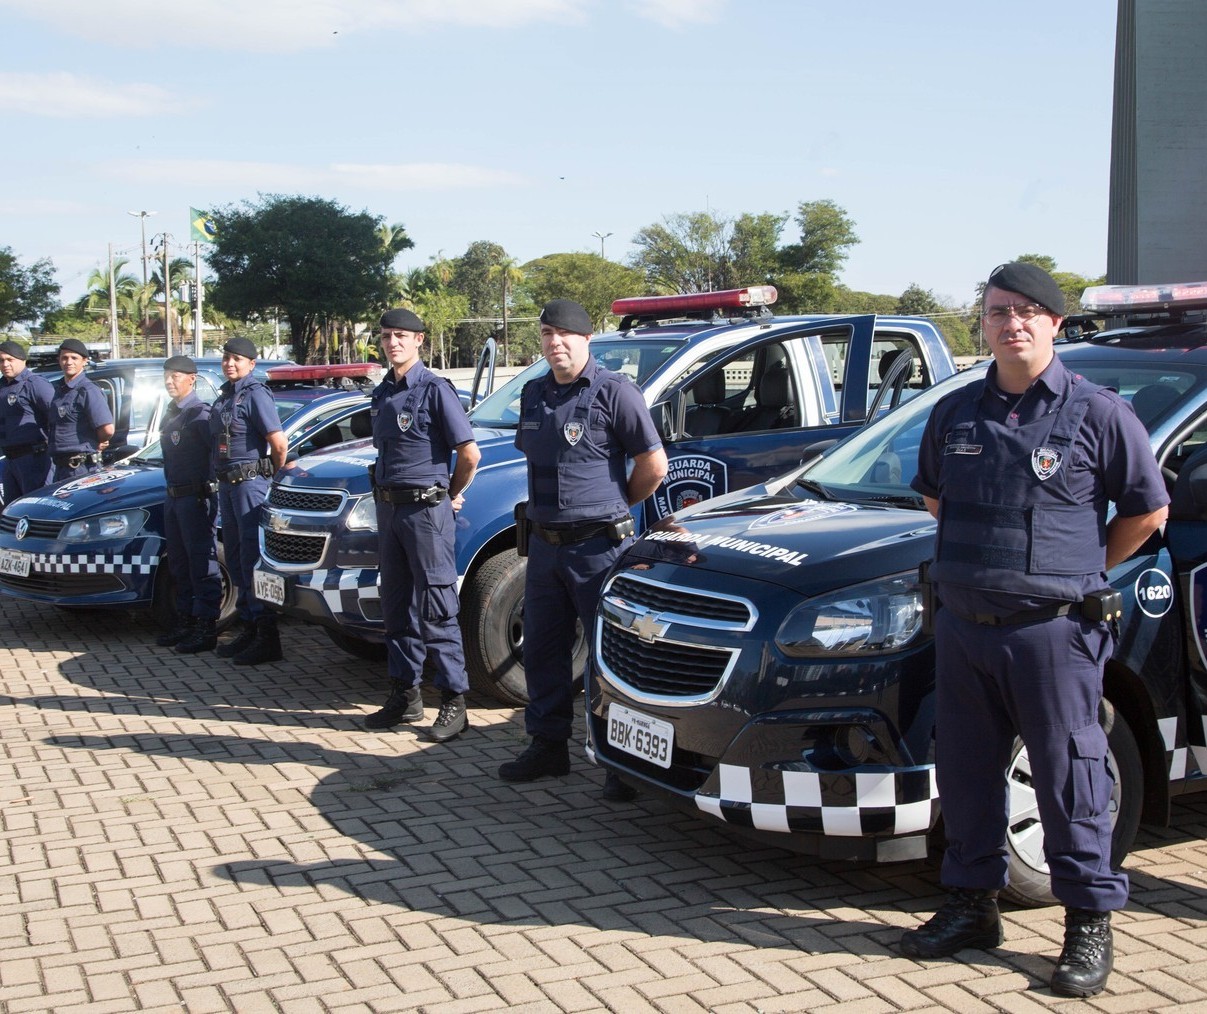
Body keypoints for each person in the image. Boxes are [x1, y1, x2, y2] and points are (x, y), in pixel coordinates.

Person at [901, 262, 1169, 997]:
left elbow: (1145, 514)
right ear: (980, 326)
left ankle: (1086, 920)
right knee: (965, 772)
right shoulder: (954, 413)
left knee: (1070, 776)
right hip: (963, 628)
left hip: (1052, 633)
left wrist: (1074, 572)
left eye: (1025, 311)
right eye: (994, 312)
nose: (1009, 323)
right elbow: (935, 502)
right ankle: (970, 906)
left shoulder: (1099, 414)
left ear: (1053, 322)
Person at [497, 298, 668, 799]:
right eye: (547, 334)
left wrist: (617, 505)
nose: (554, 343)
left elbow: (652, 467)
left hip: (599, 549)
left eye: (563, 334)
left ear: (586, 339)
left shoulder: (615, 392)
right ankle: (548, 747)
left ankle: (621, 763)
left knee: (609, 656)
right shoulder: (534, 394)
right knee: (544, 654)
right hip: (545, 549)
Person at [363, 308, 481, 743]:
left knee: (437, 607)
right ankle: (405, 694)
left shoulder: (434, 390)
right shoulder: (383, 393)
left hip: (427, 513)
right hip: (390, 511)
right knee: (396, 606)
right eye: (387, 336)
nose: (393, 342)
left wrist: (449, 494)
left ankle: (453, 700)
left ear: (419, 341)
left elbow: (469, 453)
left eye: (401, 336)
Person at [209, 337, 288, 666]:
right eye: (227, 358)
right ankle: (250, 626)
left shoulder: (255, 394)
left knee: (254, 558)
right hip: (228, 486)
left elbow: (278, 443)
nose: (230, 363)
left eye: (237, 359)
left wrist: (271, 474)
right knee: (239, 557)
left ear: (252, 364)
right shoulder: (226, 396)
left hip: (250, 485)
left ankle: (267, 636)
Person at [156, 356, 222, 654]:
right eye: (167, 376)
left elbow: (218, 456)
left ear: (191, 379)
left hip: (195, 498)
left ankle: (206, 626)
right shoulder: (171, 413)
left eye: (176, 377)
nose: (170, 381)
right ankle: (185, 621)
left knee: (201, 563)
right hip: (173, 497)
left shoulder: (201, 415)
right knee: (180, 564)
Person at [48, 338, 114, 482]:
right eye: (64, 358)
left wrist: (97, 441)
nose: (69, 362)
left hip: (81, 467)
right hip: (61, 468)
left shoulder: (88, 390)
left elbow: (107, 429)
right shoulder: (58, 390)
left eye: (74, 358)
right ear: (59, 360)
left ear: (84, 361)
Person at [0, 339, 53, 501]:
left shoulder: (35, 384)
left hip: (34, 458)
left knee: (36, 507)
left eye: (10, 360)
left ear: (22, 360)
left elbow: (57, 417)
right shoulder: (2, 386)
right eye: (1, 360)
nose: (5, 364)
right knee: (13, 510)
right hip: (10, 459)